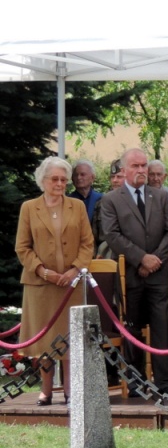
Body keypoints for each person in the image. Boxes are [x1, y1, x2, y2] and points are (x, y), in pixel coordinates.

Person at [100, 148, 168, 398]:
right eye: (136, 166)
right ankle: (136, 381)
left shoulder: (161, 196)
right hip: (130, 276)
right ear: (124, 170)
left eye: (144, 165)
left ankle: (166, 383)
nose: (142, 170)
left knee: (161, 328)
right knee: (132, 328)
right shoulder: (111, 200)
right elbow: (112, 235)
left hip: (159, 273)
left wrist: (155, 258)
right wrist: (140, 258)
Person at [15, 157, 93, 405]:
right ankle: (46, 390)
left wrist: (74, 270)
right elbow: (22, 247)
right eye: (55, 179)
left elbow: (87, 243)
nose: (60, 184)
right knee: (45, 341)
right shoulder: (29, 207)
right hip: (41, 285)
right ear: (43, 180)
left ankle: (70, 390)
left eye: (63, 179)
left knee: (69, 339)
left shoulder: (77, 207)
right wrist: (43, 271)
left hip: (70, 285)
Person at [93, 158, 124, 256]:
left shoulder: (134, 201)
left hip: (128, 255)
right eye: (112, 177)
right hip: (105, 254)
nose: (115, 180)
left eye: (119, 177)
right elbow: (93, 236)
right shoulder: (101, 203)